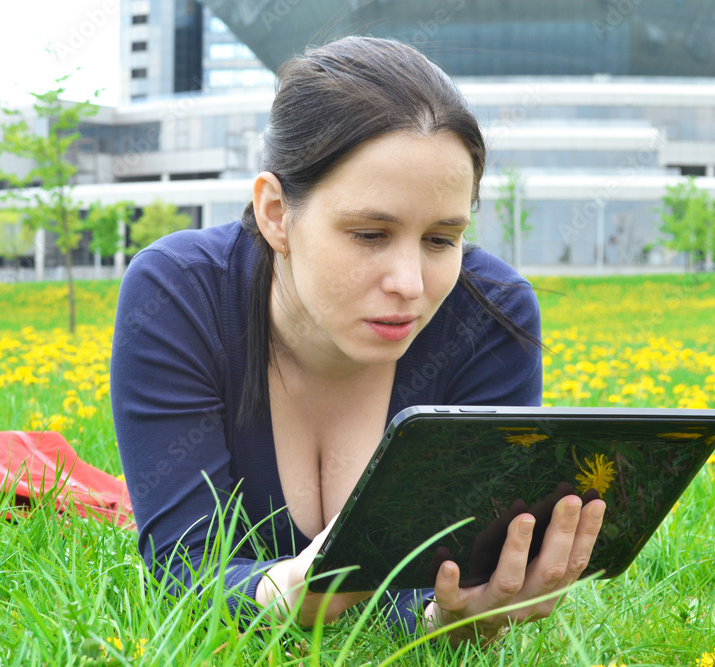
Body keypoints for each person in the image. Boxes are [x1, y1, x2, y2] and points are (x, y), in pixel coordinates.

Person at [110, 35, 605, 644]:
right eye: (370, 234)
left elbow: (456, 578)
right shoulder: (180, 294)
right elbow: (183, 570)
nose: (410, 284)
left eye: (441, 239)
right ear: (274, 213)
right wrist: (292, 591)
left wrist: (447, 621)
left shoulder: (490, 316)